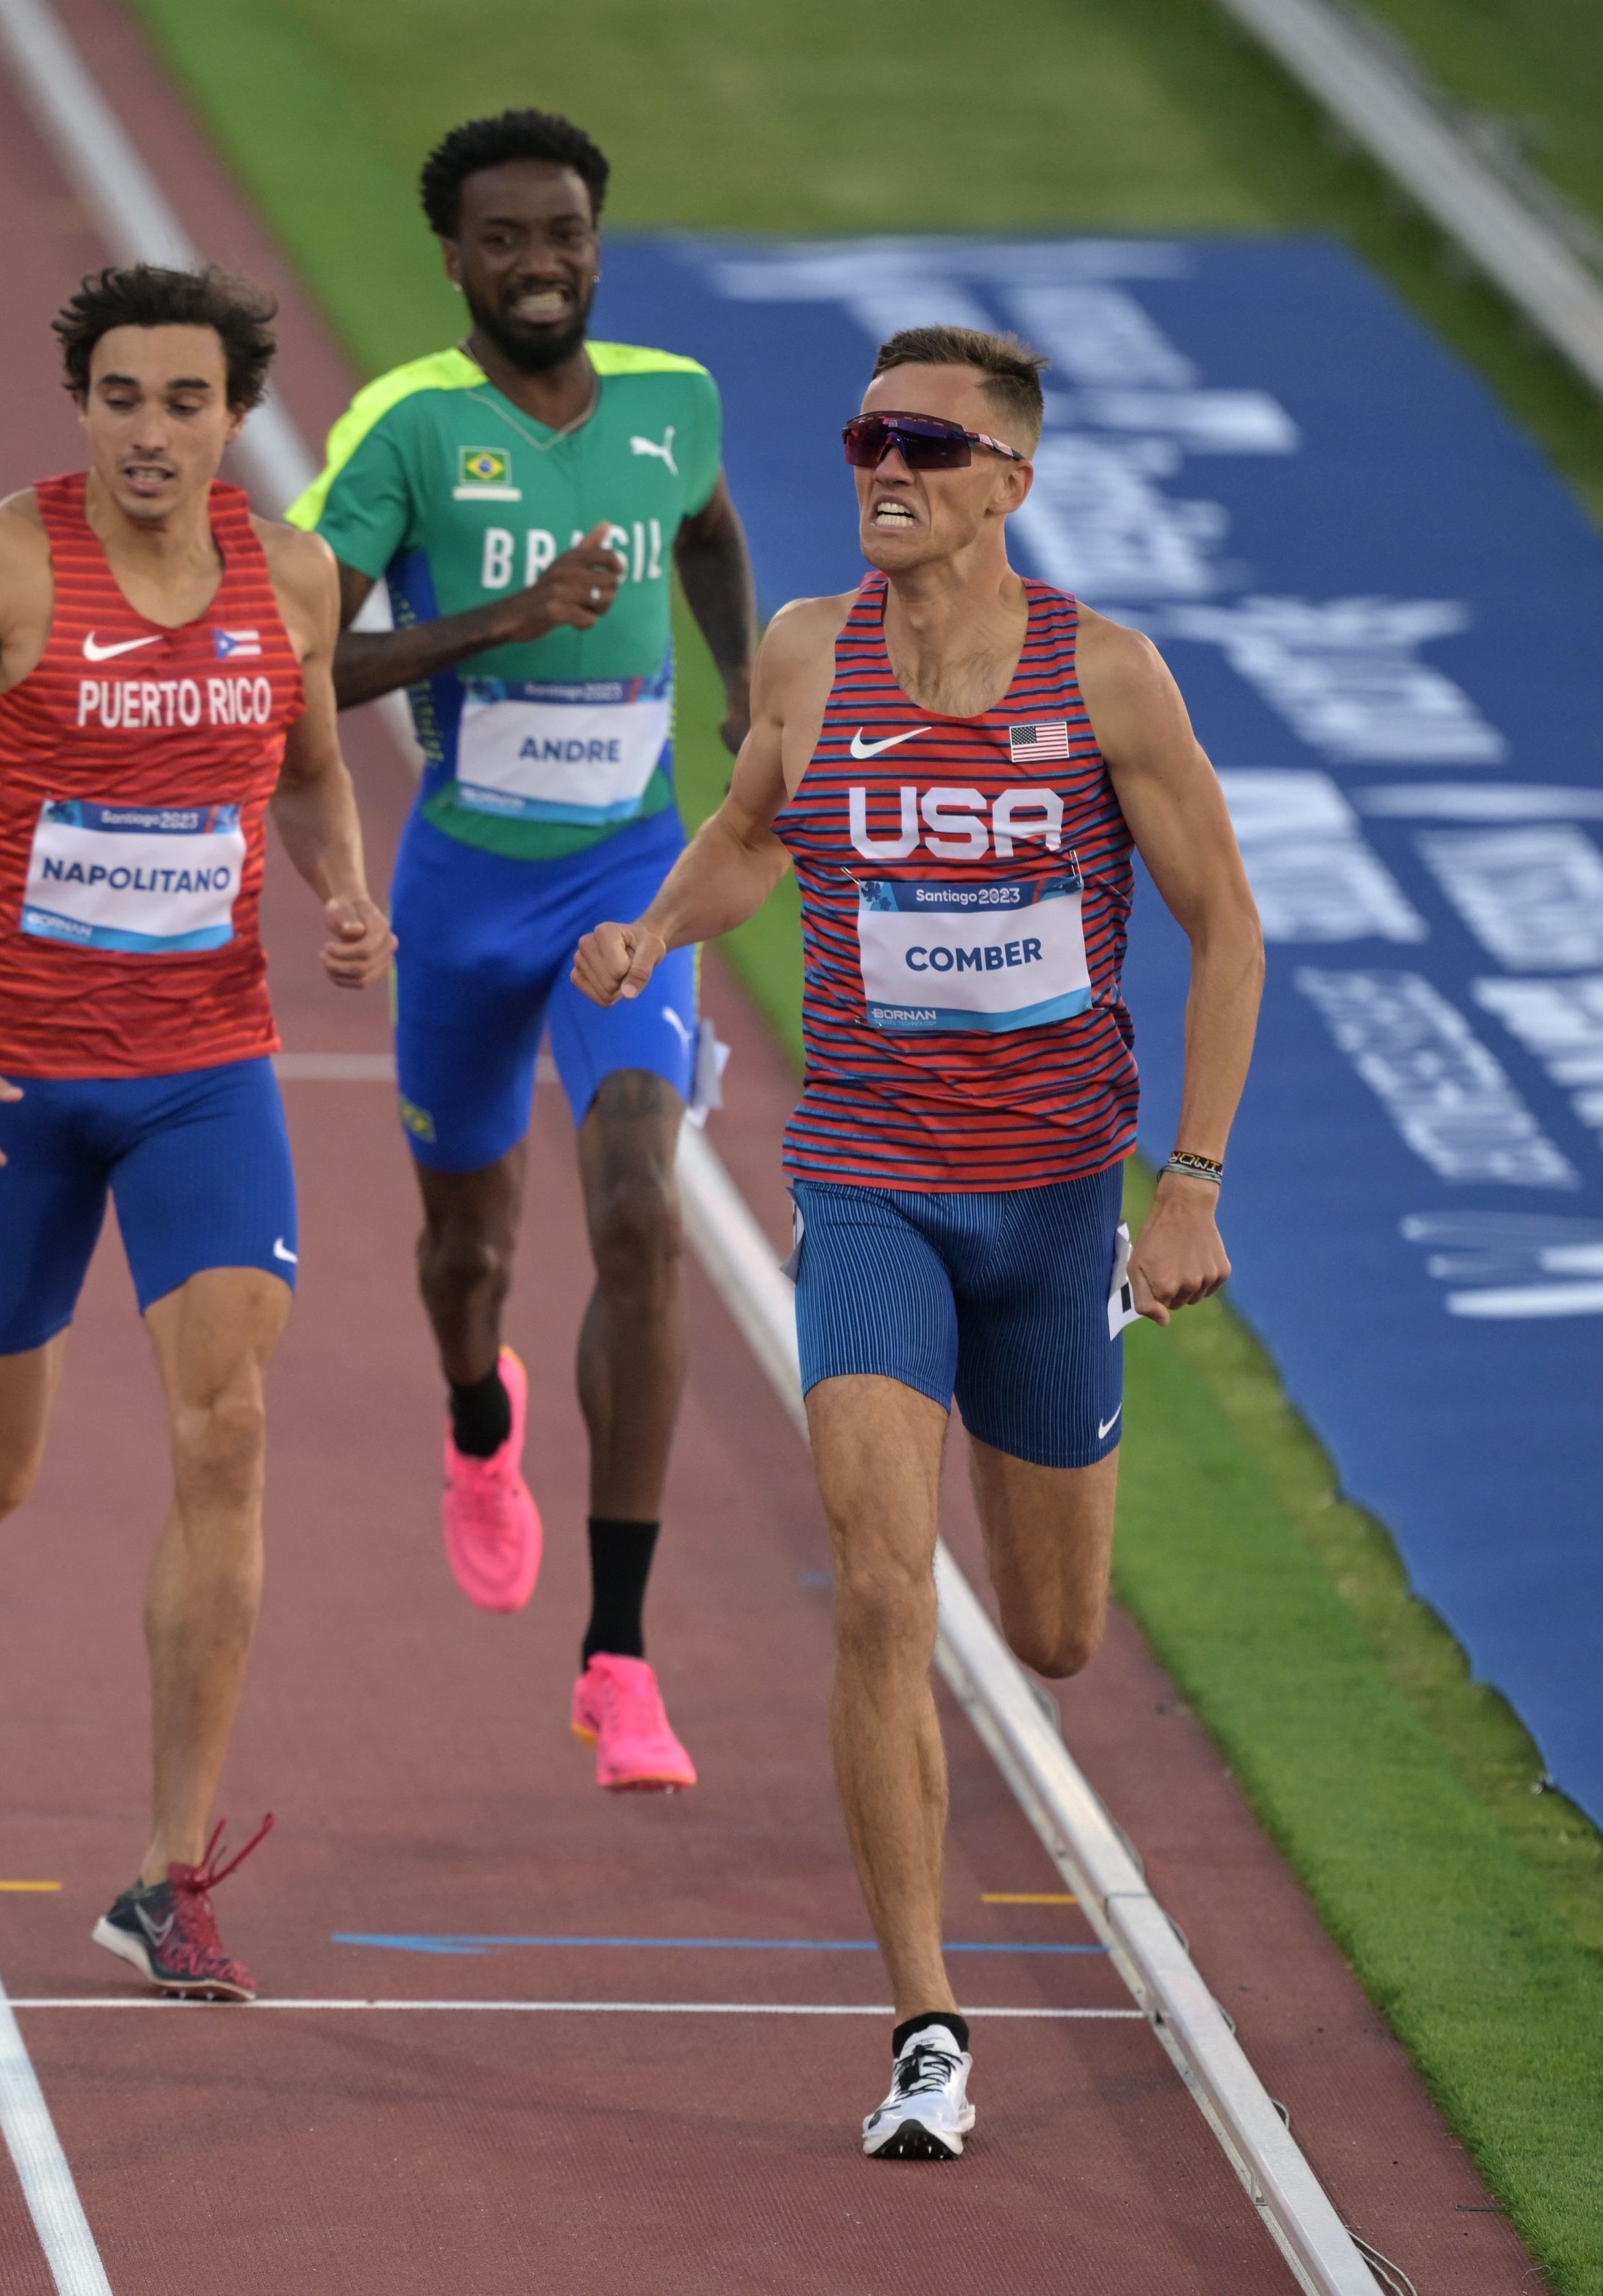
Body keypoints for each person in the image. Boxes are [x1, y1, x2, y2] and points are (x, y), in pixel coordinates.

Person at [572, 327, 1260, 2159]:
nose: (880, 464)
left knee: (1047, 1630)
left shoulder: (1102, 679)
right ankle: (925, 2020)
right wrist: (653, 931)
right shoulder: (803, 646)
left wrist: (1184, 1178)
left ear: (1004, 483)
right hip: (865, 1181)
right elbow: (745, 835)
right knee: (878, 1581)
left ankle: (936, 1974)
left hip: (1050, 1211)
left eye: (922, 443)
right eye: (865, 433)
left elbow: (1228, 928)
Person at [0, 265, 391, 2000]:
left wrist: (340, 887)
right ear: (78, 404)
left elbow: (312, 767)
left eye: (181, 400)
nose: (148, 430)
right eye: (118, 398)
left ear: (232, 411)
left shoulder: (290, 576)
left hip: (200, 1073)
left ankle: (166, 1870)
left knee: (225, 1425)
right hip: (9, 1087)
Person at [287, 110, 757, 1791]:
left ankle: (616, 1656)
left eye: (562, 232)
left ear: (592, 238)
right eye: (503, 239)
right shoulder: (403, 431)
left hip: (625, 887)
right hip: (463, 901)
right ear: (453, 258)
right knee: (463, 1254)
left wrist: (743, 687)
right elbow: (299, 670)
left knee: (639, 1215)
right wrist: (501, 617)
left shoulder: (671, 401)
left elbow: (700, 528)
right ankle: (474, 1420)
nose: (538, 263)